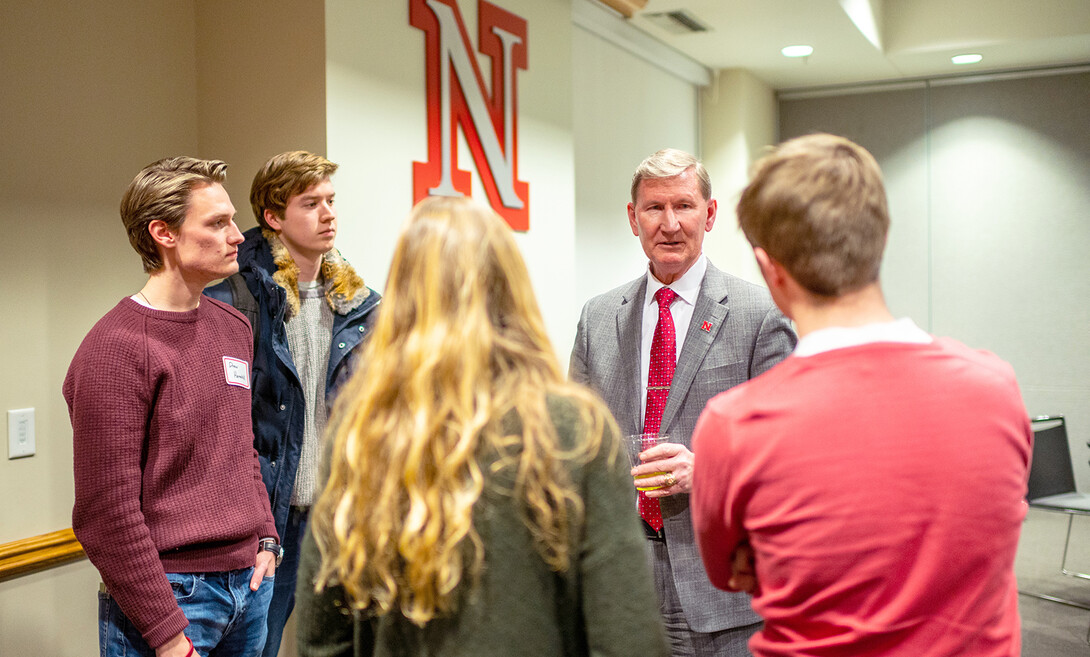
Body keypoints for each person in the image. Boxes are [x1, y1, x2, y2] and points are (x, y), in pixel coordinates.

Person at [690, 133, 1032, 656]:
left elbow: (728, 573)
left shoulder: (735, 425)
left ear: (769, 270)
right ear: (881, 239)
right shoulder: (997, 389)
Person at [294, 196, 669, 657]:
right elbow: (626, 635)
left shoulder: (361, 434)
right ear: (511, 288)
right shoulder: (575, 429)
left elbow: (323, 637)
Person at [569, 148, 797, 656]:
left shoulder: (760, 315)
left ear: (710, 214)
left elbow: (788, 455)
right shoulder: (597, 318)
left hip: (723, 591)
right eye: (654, 208)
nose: (669, 224)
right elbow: (572, 444)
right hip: (620, 579)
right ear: (633, 218)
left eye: (684, 206)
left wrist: (708, 471)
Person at [65, 157, 279, 657]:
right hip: (173, 600)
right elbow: (104, 513)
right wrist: (165, 633)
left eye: (231, 220)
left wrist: (266, 538)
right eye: (217, 223)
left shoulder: (233, 326)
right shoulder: (115, 348)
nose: (238, 237)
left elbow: (240, 448)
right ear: (163, 233)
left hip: (249, 584)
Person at [204, 150, 381, 657]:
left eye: (331, 201)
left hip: (344, 514)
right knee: (259, 647)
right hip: (270, 522)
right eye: (311, 204)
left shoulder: (363, 307)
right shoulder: (233, 301)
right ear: (274, 217)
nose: (328, 214)